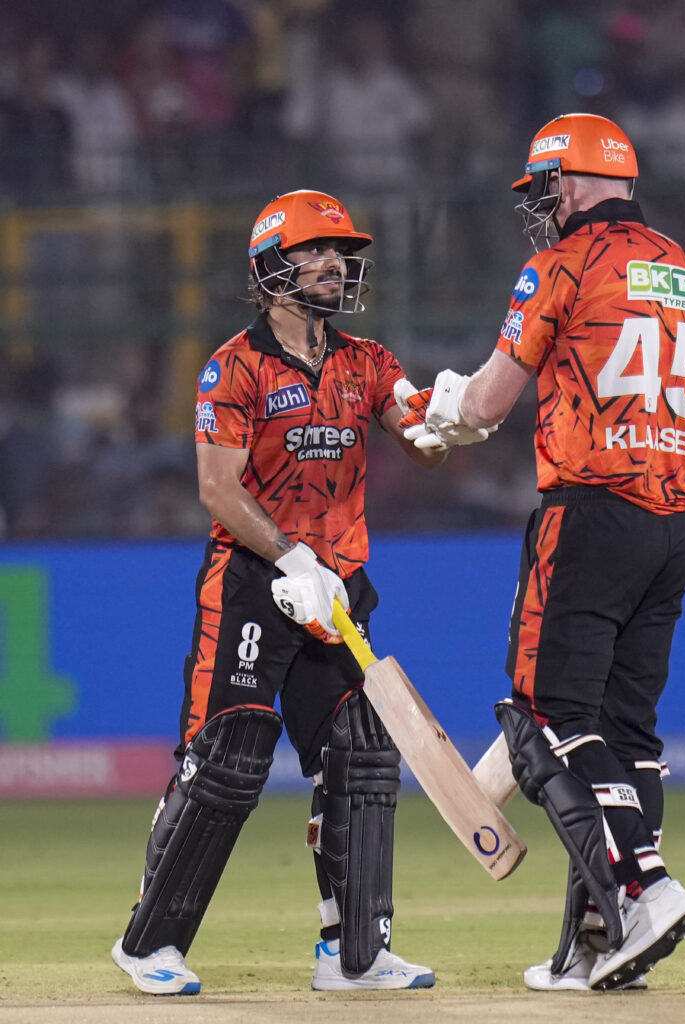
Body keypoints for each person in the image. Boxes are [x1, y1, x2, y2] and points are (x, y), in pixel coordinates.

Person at [110, 188, 471, 995]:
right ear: (273, 267)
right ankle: (150, 943)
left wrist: (448, 422)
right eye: (318, 251)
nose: (337, 265)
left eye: (342, 253)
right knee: (228, 758)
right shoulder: (230, 367)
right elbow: (218, 489)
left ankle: (354, 954)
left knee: (363, 757)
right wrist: (288, 559)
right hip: (249, 583)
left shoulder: (368, 361)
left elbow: (419, 440)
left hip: (337, 589)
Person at [404, 113, 685, 992]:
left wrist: (442, 410)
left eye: (541, 189)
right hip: (672, 523)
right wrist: (665, 501)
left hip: (587, 512)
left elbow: (486, 404)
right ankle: (598, 945)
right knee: (628, 731)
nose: (536, 208)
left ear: (567, 182)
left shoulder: (561, 265)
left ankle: (642, 892)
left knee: (545, 712)